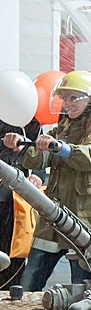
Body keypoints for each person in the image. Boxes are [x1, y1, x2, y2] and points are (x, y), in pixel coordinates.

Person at [2, 70, 91, 291]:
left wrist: (61, 148)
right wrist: (21, 147)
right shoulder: (60, 130)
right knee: (29, 283)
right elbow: (40, 158)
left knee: (84, 288)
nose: (67, 103)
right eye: (64, 97)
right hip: (53, 218)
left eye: (74, 97)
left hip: (88, 220)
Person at [0, 118, 42, 289]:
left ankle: (8, 297)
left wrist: (38, 176)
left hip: (14, 200)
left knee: (13, 253)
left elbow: (40, 150)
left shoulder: (26, 116)